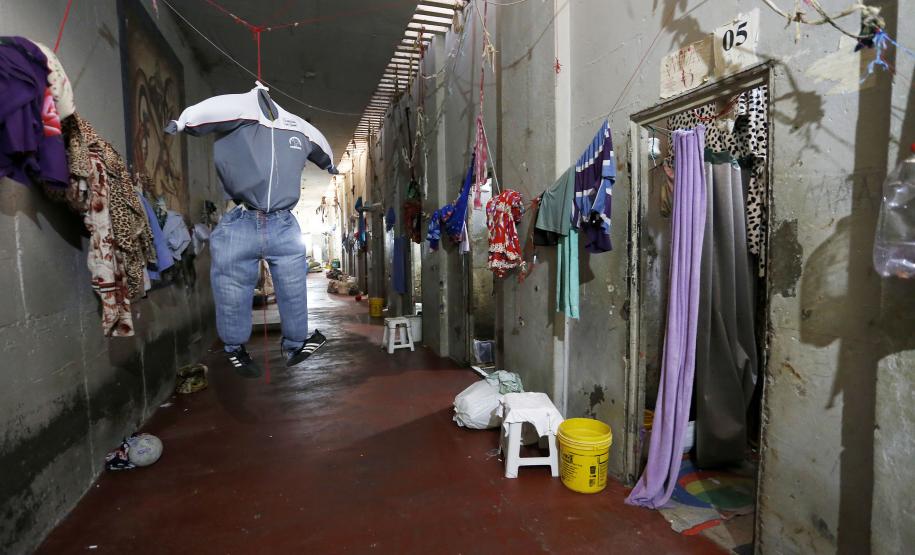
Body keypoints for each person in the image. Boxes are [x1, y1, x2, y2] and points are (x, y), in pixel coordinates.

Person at [166, 82, 335, 378]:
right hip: (242, 220)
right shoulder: (238, 111)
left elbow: (322, 147)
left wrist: (331, 164)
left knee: (293, 286)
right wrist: (182, 122)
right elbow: (204, 112)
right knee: (231, 285)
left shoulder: (298, 128)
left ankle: (296, 343)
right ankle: (235, 347)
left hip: (282, 224)